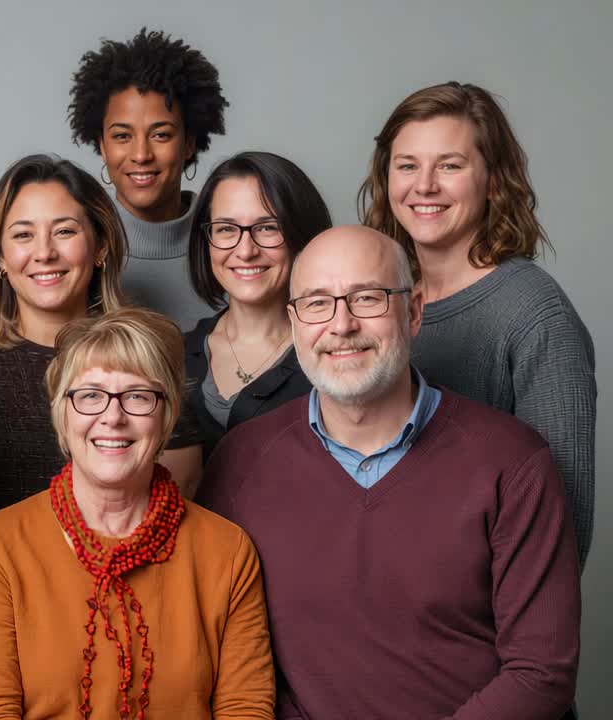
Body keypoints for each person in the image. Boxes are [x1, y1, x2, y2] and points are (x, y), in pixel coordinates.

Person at [198, 226, 580, 719]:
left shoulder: (512, 463)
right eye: (317, 303)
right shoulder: (241, 462)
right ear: (294, 323)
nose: (341, 325)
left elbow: (541, 673)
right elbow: (224, 657)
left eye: (367, 298)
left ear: (414, 311)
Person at [0, 307, 273, 719]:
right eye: (90, 396)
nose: (113, 417)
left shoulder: (227, 551)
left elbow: (244, 709)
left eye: (138, 396)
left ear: (168, 414)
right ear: (61, 414)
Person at [359, 81, 595, 568]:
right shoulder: (376, 302)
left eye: (450, 165)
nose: (424, 186)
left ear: (492, 177)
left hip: (479, 626)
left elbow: (561, 524)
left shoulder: (535, 314)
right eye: (407, 165)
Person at [0, 154, 201, 510]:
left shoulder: (148, 359)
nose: (45, 253)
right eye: (23, 235)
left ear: (100, 247)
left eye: (64, 231)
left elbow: (175, 504)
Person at [68, 27, 228, 331]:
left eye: (161, 134)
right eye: (122, 136)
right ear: (101, 145)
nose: (141, 154)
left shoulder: (233, 244)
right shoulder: (75, 250)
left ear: (189, 142)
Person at [182, 152, 330, 465]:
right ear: (205, 240)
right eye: (226, 229)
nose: (246, 250)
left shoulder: (333, 354)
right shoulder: (171, 355)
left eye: (267, 227)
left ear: (300, 235)